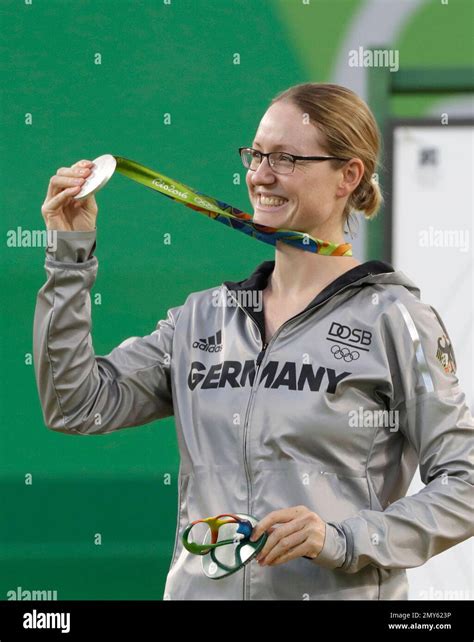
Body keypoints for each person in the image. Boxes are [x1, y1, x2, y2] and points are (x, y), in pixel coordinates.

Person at [34, 82, 474, 600]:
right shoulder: (202, 318)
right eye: (257, 154)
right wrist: (68, 253)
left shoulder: (396, 319)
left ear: (348, 176)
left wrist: (341, 539)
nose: (261, 175)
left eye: (286, 158)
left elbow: (464, 486)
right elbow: (75, 405)